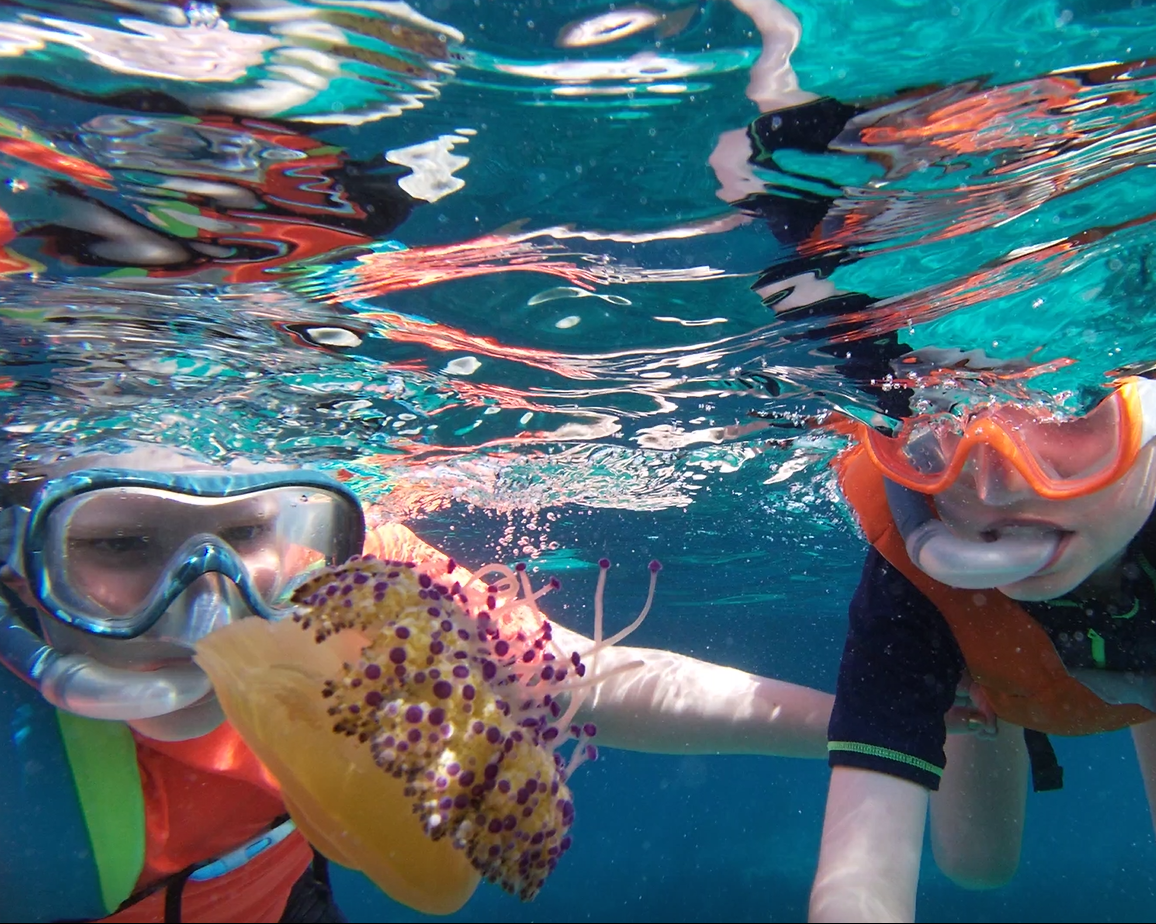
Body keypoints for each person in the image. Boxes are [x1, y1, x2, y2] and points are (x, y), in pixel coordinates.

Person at [0, 442, 835, 923]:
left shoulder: (349, 581)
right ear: (16, 567)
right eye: (117, 546)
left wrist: (875, 722)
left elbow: (584, 680)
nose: (205, 596)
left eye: (248, 528)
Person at [808, 371, 1156, 922]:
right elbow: (859, 877)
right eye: (953, 414)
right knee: (976, 863)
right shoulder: (907, 583)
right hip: (1000, 663)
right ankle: (987, 674)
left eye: (1073, 414)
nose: (998, 485)